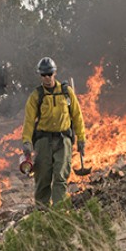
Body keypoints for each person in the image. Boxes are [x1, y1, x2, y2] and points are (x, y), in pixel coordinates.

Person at [21, 57, 86, 207]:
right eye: (43, 75)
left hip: (63, 141)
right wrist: (26, 141)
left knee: (60, 177)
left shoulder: (66, 92)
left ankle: (59, 214)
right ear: (40, 75)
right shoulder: (36, 96)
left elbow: (77, 116)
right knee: (43, 179)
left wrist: (81, 138)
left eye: (49, 74)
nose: (47, 78)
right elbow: (29, 121)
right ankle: (42, 214)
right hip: (43, 142)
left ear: (55, 73)